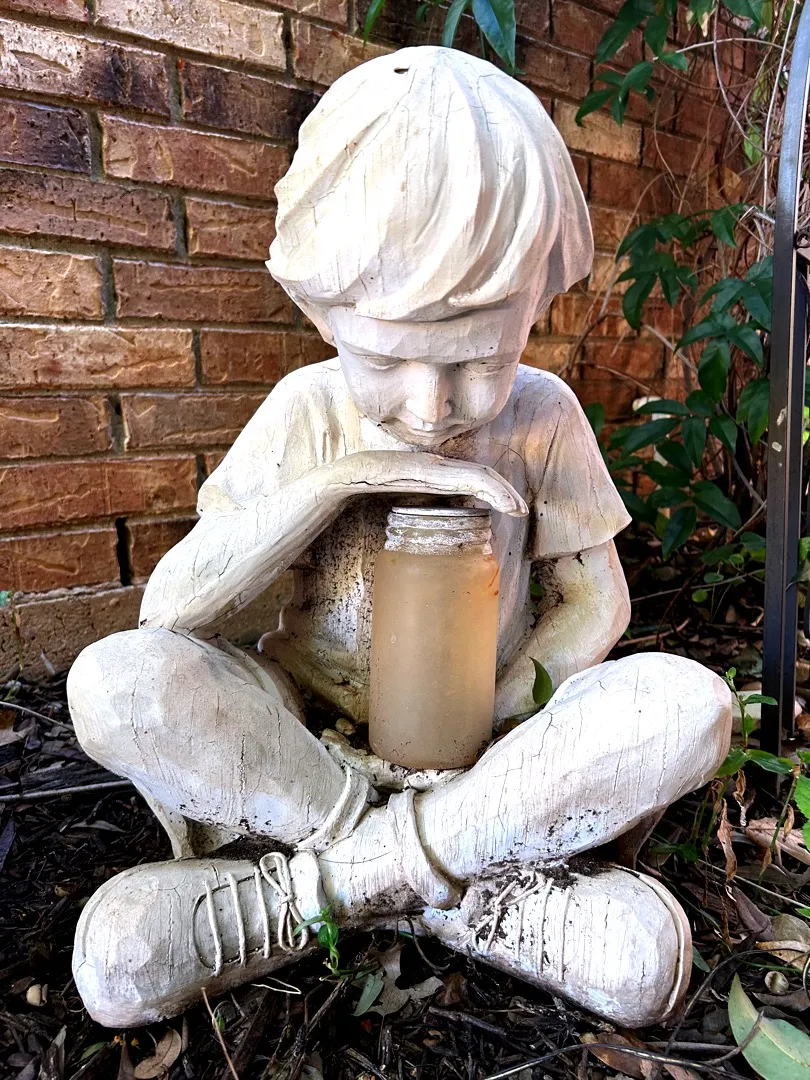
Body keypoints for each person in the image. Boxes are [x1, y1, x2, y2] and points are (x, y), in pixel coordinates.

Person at [67, 46, 731, 1030]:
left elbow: (596, 602)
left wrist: (497, 710)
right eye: (385, 360)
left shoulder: (542, 418)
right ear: (321, 314)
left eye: (479, 360)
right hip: (307, 752)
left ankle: (323, 890)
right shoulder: (309, 412)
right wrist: (344, 480)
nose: (431, 408)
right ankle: (462, 888)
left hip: (487, 756)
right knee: (113, 683)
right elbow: (175, 611)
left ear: (535, 310)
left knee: (688, 706)